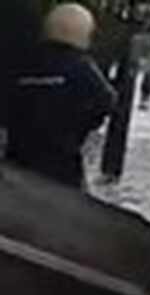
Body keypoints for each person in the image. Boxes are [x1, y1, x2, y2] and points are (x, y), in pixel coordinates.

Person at [3, 3, 115, 189]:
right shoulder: (83, 69)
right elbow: (107, 102)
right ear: (85, 35)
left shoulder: (21, 63)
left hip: (16, 166)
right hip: (63, 171)